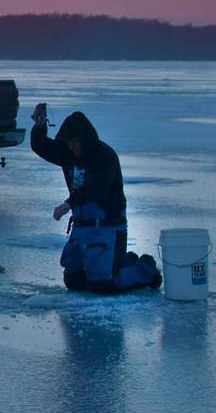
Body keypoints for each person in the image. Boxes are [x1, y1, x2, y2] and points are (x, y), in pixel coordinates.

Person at [29, 104, 159, 293]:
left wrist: (68, 204)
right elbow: (42, 146)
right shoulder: (69, 153)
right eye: (68, 143)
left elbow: (93, 188)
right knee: (75, 281)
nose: (71, 147)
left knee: (102, 285)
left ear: (84, 139)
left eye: (74, 142)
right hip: (82, 228)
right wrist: (40, 125)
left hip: (109, 226)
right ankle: (122, 261)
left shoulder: (104, 156)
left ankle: (145, 269)